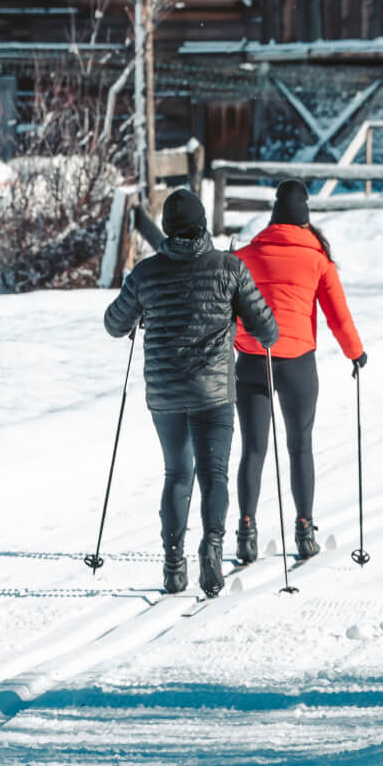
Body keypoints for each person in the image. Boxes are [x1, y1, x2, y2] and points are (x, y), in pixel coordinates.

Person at [104, 187, 278, 598]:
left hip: (165, 394)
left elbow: (114, 324)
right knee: (214, 473)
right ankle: (213, 548)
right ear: (202, 224)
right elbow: (266, 328)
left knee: (178, 473)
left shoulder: (146, 273)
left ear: (166, 228)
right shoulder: (228, 267)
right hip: (215, 391)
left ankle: (172, 563)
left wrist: (143, 310)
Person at [233, 179, 367, 564]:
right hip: (298, 364)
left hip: (252, 359)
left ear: (274, 217)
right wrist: (355, 354)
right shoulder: (318, 260)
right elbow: (338, 317)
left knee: (254, 449)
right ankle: (305, 531)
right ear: (306, 220)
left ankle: (246, 532)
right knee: (299, 446)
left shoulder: (244, 256)